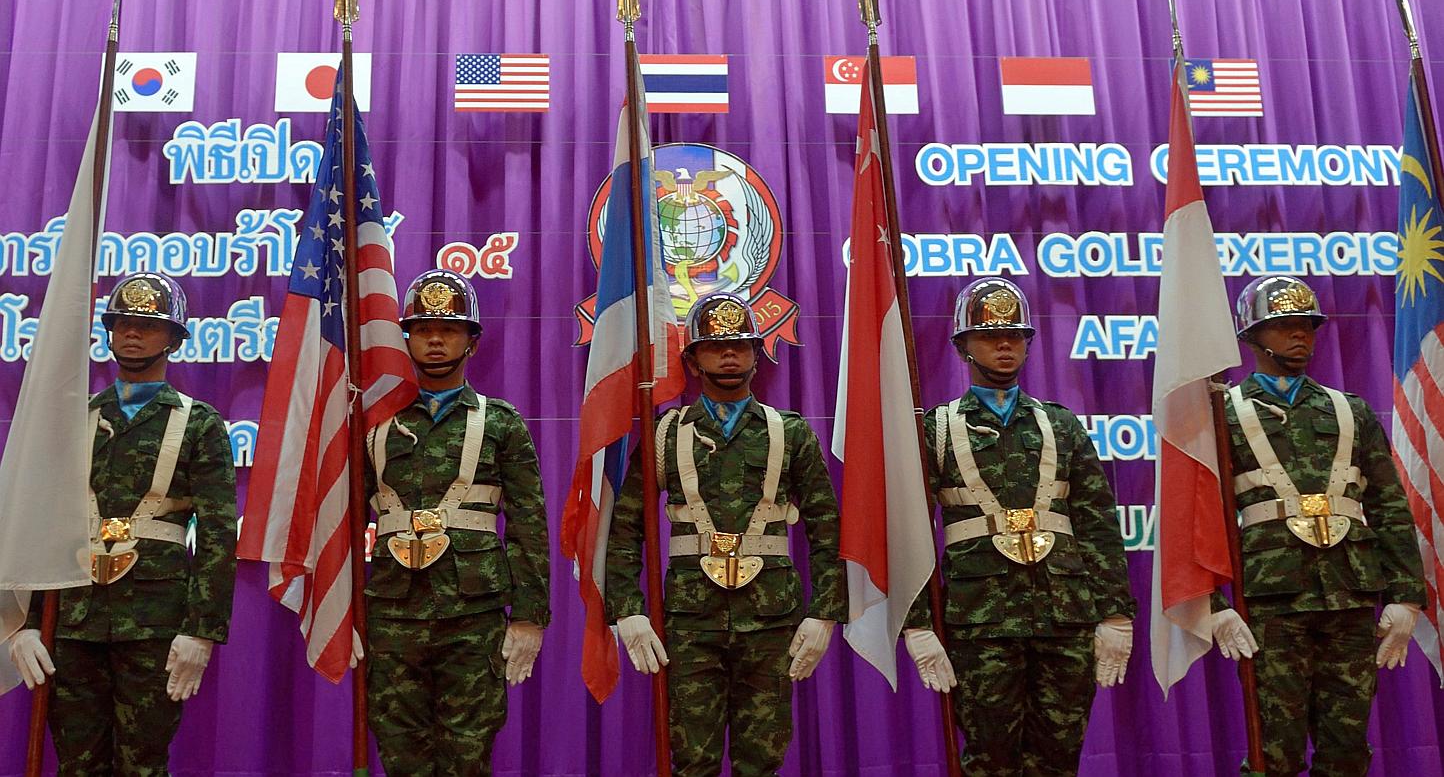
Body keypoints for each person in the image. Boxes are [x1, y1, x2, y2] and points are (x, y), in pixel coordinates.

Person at [605, 292, 846, 777]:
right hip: (691, 623)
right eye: (715, 346)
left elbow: (828, 532)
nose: (729, 354)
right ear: (692, 359)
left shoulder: (791, 433)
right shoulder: (663, 436)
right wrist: (627, 610)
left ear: (757, 354)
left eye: (739, 344)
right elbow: (624, 530)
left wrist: (825, 615)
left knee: (763, 761)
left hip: (772, 621)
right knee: (692, 761)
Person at [903, 277, 1135, 776]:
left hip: (1064, 617)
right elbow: (911, 534)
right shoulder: (936, 428)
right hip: (981, 621)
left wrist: (1116, 614)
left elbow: (1097, 525)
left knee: (1058, 759)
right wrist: (917, 623)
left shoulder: (1062, 424)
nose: (1005, 345)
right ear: (964, 346)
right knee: (990, 761)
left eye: (1015, 335)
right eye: (990, 336)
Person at [7, 272, 237, 775]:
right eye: (122, 324)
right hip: (73, 620)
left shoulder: (199, 424)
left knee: (143, 764)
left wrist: (201, 631)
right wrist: (27, 623)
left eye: (148, 325)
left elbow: (219, 533)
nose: (132, 334)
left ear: (174, 338)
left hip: (154, 622)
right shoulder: (74, 420)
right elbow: (42, 525)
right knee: (77, 764)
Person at [1208, 275, 1427, 776]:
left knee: (1347, 749)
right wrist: (1212, 603)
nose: (1299, 335)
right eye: (1284, 326)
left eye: (1306, 325)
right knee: (1273, 752)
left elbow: (1390, 506)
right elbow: (1201, 520)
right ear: (1253, 336)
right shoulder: (1221, 415)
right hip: (1270, 603)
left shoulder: (1350, 411)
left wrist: (1405, 596)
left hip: (1349, 597)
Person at [363, 268, 549, 777]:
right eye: (423, 329)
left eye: (449, 329)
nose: (436, 339)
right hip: (391, 614)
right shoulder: (373, 424)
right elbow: (340, 520)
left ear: (472, 340)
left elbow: (530, 525)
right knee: (401, 755)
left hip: (474, 615)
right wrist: (339, 609)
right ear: (407, 338)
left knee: (468, 756)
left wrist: (530, 616)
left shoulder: (501, 422)